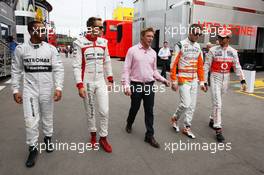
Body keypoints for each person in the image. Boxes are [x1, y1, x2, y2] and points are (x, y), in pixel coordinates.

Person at [11, 21, 64, 167]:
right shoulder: (21, 49)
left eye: (44, 30)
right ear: (31, 31)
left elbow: (59, 69)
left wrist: (59, 87)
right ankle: (33, 148)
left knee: (47, 116)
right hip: (30, 90)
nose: (44, 33)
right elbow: (15, 70)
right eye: (40, 30)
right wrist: (15, 90)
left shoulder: (51, 49)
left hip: (47, 89)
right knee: (31, 120)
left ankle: (48, 138)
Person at [122, 27, 170, 148]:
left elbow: (154, 71)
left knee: (149, 111)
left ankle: (149, 135)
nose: (151, 39)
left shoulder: (153, 53)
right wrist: (126, 85)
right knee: (135, 108)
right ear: (142, 37)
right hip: (136, 85)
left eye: (152, 37)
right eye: (148, 36)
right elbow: (126, 69)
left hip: (149, 85)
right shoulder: (132, 50)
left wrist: (164, 80)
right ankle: (129, 122)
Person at [72, 17, 114, 153]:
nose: (102, 29)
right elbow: (77, 66)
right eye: (100, 27)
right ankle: (93, 136)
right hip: (87, 82)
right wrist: (80, 85)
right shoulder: (79, 43)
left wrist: (110, 78)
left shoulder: (104, 42)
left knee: (104, 110)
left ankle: (103, 137)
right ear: (90, 27)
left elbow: (107, 61)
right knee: (90, 111)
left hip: (100, 81)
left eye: (102, 27)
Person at [204, 28, 247, 142]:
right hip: (215, 77)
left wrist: (242, 80)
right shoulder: (212, 50)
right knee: (218, 103)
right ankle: (218, 129)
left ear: (228, 39)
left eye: (222, 38)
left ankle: (212, 119)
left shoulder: (233, 51)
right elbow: (206, 66)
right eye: (219, 37)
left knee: (217, 101)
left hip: (226, 78)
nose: (220, 39)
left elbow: (237, 66)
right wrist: (203, 81)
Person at [170, 24, 206, 139]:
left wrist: (202, 81)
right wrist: (173, 80)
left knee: (192, 106)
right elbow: (173, 63)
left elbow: (200, 65)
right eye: (196, 33)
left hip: (194, 79)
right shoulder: (180, 44)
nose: (197, 36)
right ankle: (175, 118)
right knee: (186, 103)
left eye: (200, 34)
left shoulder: (198, 47)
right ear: (190, 32)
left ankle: (187, 127)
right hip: (183, 79)